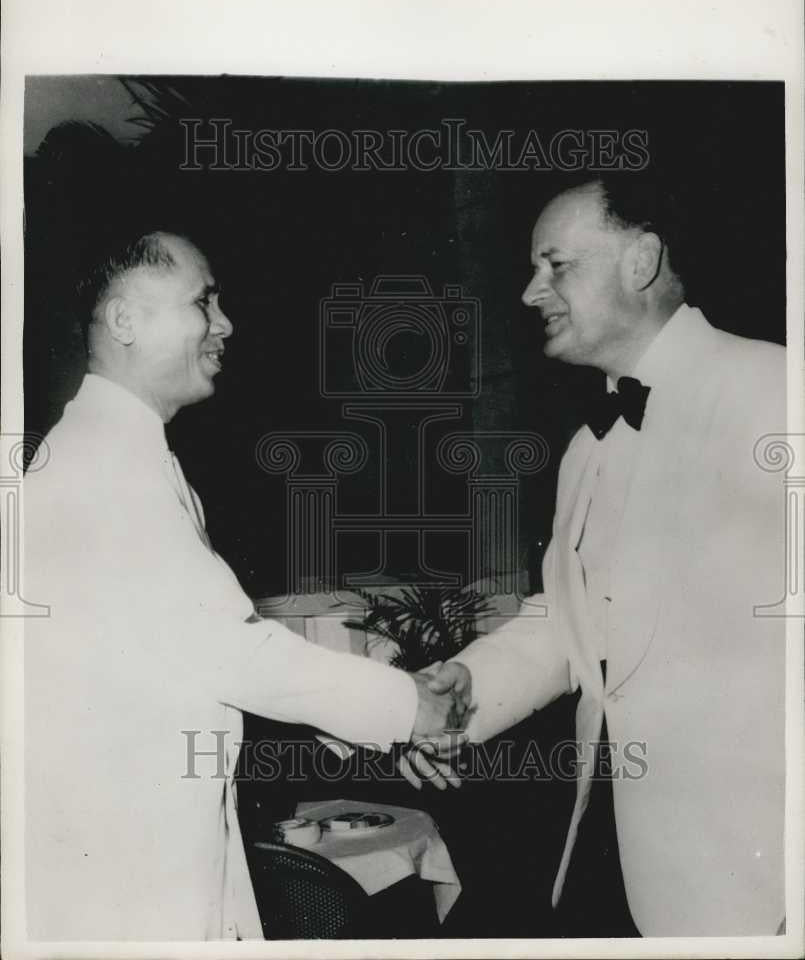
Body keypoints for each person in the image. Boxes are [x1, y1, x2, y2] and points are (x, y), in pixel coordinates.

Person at [23, 231, 460, 941]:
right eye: (203, 301)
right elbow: (226, 653)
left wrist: (357, 718)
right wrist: (407, 707)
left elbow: (179, 650)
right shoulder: (104, 468)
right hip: (125, 867)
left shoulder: (118, 453)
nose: (224, 323)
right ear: (126, 321)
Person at [425, 176, 786, 936]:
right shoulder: (588, 446)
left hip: (765, 865)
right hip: (630, 853)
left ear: (641, 261)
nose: (531, 293)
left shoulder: (773, 392)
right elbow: (570, 620)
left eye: (556, 266)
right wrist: (467, 686)